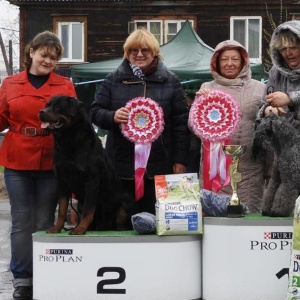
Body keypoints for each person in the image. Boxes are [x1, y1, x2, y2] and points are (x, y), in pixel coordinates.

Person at [0, 31, 77, 300]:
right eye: (44, 55)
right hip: (17, 160)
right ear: (31, 52)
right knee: (21, 221)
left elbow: (74, 122)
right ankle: (22, 279)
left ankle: (44, 273)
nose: (48, 61)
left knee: (46, 220)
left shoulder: (65, 85)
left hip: (52, 161)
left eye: (54, 58)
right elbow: (1, 118)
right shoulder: (9, 83)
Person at [90, 28, 190, 215]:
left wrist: (180, 159)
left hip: (160, 166)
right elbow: (95, 112)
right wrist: (112, 116)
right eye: (133, 50)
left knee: (157, 219)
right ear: (127, 53)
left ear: (154, 53)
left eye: (145, 50)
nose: (139, 54)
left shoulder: (171, 81)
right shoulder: (113, 79)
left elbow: (180, 124)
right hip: (120, 166)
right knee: (121, 220)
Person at [194, 40, 265, 213]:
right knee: (216, 218)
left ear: (243, 62)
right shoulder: (206, 88)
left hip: (251, 168)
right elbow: (192, 126)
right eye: (224, 59)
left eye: (235, 59)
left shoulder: (260, 88)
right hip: (215, 169)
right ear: (216, 62)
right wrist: (198, 106)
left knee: (250, 218)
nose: (230, 63)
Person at [258, 20, 300, 118]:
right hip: (283, 132)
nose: (288, 53)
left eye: (293, 47)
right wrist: (268, 110)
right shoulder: (276, 72)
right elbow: (264, 104)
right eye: (283, 49)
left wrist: (290, 98)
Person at [186, 92, 201, 173]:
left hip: (193, 143)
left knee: (192, 166)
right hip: (195, 143)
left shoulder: (191, 110)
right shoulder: (195, 110)